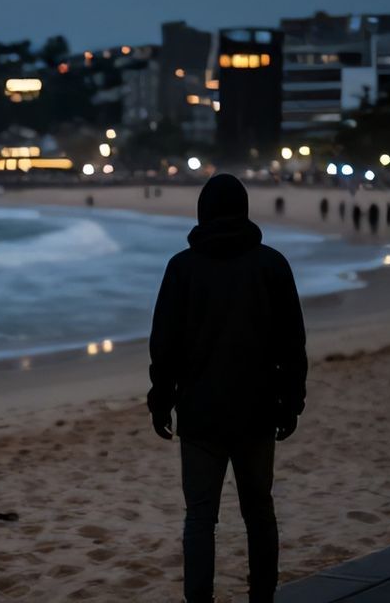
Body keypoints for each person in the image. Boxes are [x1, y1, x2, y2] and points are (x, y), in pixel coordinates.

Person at [148, 174, 307, 603]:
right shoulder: (271, 264)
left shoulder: (182, 268)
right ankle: (263, 596)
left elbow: (164, 344)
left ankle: (200, 599)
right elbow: (293, 342)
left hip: (199, 411)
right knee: (259, 510)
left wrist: (160, 400)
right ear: (244, 209)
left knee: (200, 516)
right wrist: (292, 401)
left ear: (203, 212)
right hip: (258, 408)